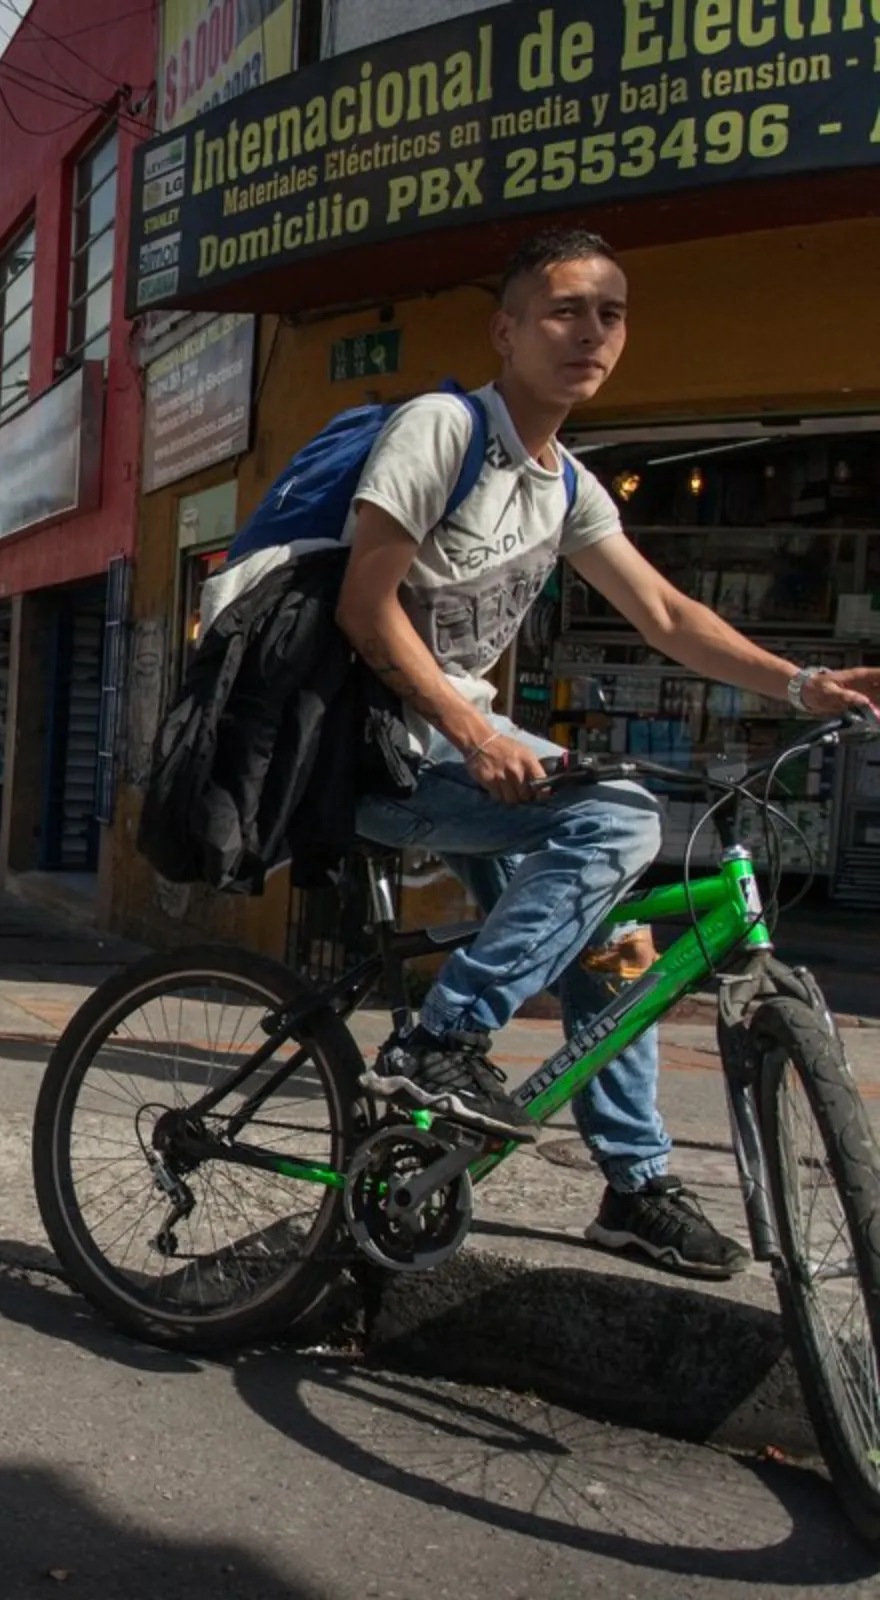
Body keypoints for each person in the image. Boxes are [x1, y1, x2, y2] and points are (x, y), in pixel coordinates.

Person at [337, 226, 880, 1279]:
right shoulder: (442, 431)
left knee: (616, 946)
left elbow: (668, 614)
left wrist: (803, 685)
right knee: (623, 816)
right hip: (379, 749)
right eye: (565, 310)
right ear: (506, 330)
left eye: (611, 314)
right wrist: (474, 728)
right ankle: (439, 1043)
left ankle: (633, 1186)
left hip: (466, 748)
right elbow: (365, 607)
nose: (591, 331)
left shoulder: (565, 483)